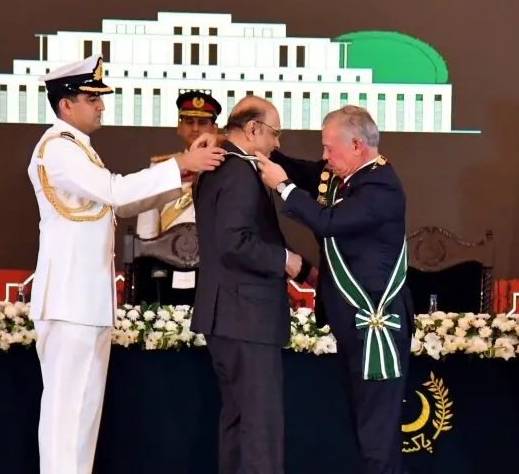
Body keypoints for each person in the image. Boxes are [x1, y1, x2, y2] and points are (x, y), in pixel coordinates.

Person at [28, 54, 223, 474]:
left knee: (83, 418)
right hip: (67, 303)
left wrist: (182, 178)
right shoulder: (57, 150)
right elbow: (113, 191)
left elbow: (125, 199)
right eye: (91, 98)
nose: (100, 105)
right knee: (66, 419)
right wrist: (179, 165)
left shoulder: (80, 151)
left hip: (86, 304)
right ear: (66, 105)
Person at [252, 105, 415, 474]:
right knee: (365, 427)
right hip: (353, 325)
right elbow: (310, 173)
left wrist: (281, 185)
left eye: (329, 149)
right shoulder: (347, 176)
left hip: (377, 328)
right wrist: (264, 146)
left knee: (378, 435)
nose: (324, 157)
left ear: (357, 145)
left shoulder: (381, 186)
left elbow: (329, 222)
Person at [190, 96, 311, 474]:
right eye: (274, 133)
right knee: (261, 429)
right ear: (254, 129)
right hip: (247, 317)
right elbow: (234, 240)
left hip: (226, 315)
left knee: (239, 424)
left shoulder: (217, 165)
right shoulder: (239, 172)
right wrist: (286, 260)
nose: (277, 143)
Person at [132, 90, 222, 306]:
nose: (195, 128)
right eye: (189, 121)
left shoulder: (226, 167)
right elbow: (147, 226)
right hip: (166, 264)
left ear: (215, 129)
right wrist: (147, 260)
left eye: (202, 122)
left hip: (214, 264)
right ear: (178, 126)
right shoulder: (162, 167)